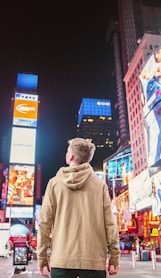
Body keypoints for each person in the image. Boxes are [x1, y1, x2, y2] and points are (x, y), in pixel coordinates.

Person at [37, 138, 120, 278]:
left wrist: (42, 257)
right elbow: (110, 224)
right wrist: (114, 255)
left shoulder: (54, 184)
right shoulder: (100, 186)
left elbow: (44, 223)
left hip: (62, 260)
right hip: (93, 261)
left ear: (71, 157)